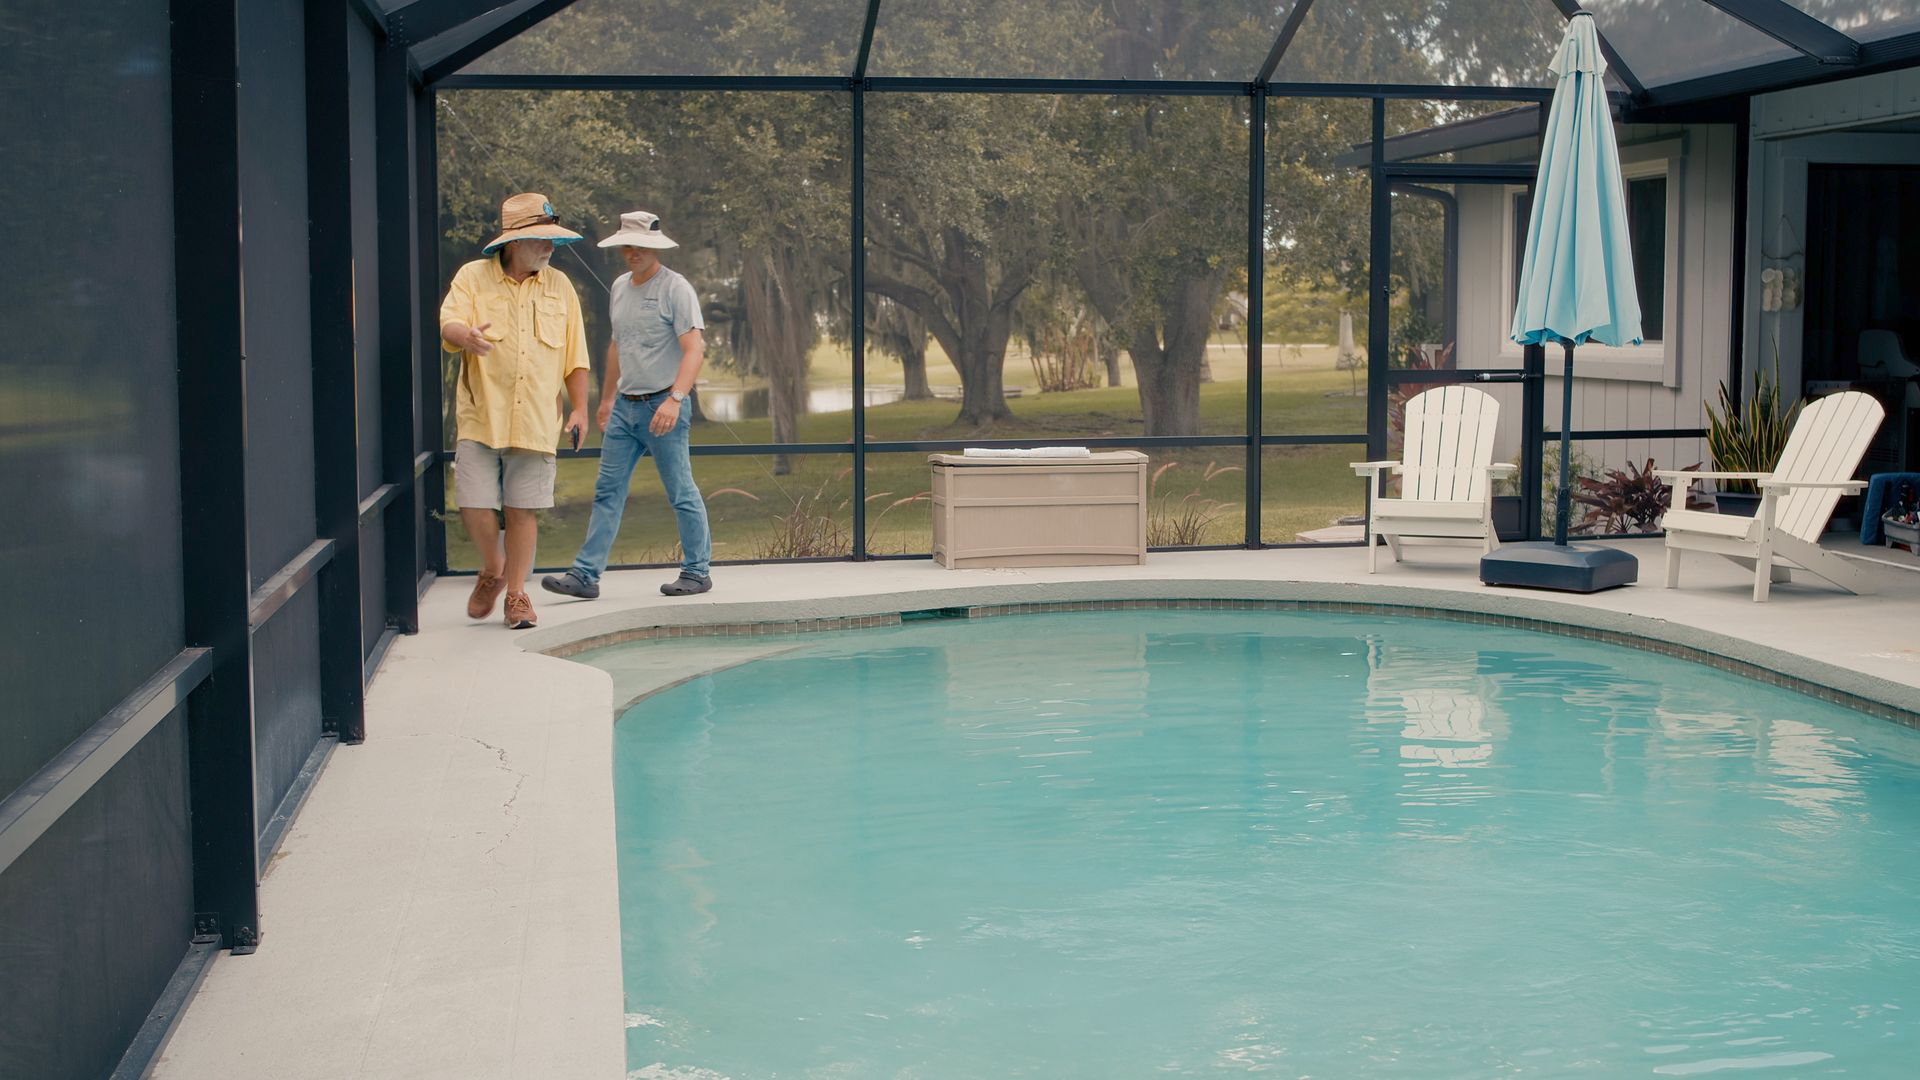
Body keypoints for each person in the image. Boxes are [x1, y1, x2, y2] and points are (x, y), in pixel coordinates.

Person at [542, 210, 713, 600]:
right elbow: (617, 345)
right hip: (624, 408)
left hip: (663, 406)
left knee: (680, 491)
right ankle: (585, 576)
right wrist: (606, 400)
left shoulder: (676, 288)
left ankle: (696, 572)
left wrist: (675, 400)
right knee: (607, 491)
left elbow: (694, 350)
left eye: (640, 246)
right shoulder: (620, 287)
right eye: (627, 246)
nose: (633, 252)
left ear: (656, 248)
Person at [439, 192, 590, 629]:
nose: (549, 247)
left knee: (523, 509)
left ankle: (518, 595)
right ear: (513, 241)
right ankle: (494, 568)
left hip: (537, 420)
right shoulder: (472, 277)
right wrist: (464, 336)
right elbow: (449, 323)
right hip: (480, 415)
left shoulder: (561, 287)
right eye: (541, 239)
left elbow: (576, 356)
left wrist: (580, 409)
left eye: (552, 239)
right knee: (473, 504)